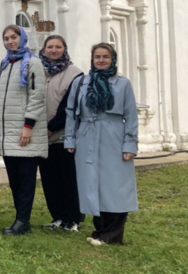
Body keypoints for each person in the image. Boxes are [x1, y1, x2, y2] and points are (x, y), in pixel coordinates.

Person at [65, 43, 138, 246]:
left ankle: (112, 233)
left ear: (112, 58)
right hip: (87, 135)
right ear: (92, 59)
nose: (101, 60)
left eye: (105, 56)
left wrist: (129, 145)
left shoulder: (123, 84)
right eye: (97, 56)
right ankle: (100, 229)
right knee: (92, 183)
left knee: (115, 185)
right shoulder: (82, 82)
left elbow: (131, 115)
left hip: (113, 136)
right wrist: (70, 139)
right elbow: (71, 112)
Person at [0, 25, 47, 236]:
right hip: (7, 133)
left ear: (22, 38)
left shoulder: (32, 63)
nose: (10, 41)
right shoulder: (4, 64)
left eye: (14, 37)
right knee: (14, 180)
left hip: (24, 132)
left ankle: (23, 220)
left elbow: (37, 96)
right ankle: (20, 218)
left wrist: (28, 125)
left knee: (25, 180)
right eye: (6, 38)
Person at [39, 35, 84, 232]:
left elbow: (70, 106)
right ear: (44, 49)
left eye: (58, 47)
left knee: (69, 179)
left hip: (65, 136)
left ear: (64, 49)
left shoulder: (75, 74)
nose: (54, 50)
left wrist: (51, 127)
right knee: (49, 179)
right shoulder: (38, 70)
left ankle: (74, 218)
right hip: (42, 137)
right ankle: (57, 216)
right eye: (50, 47)